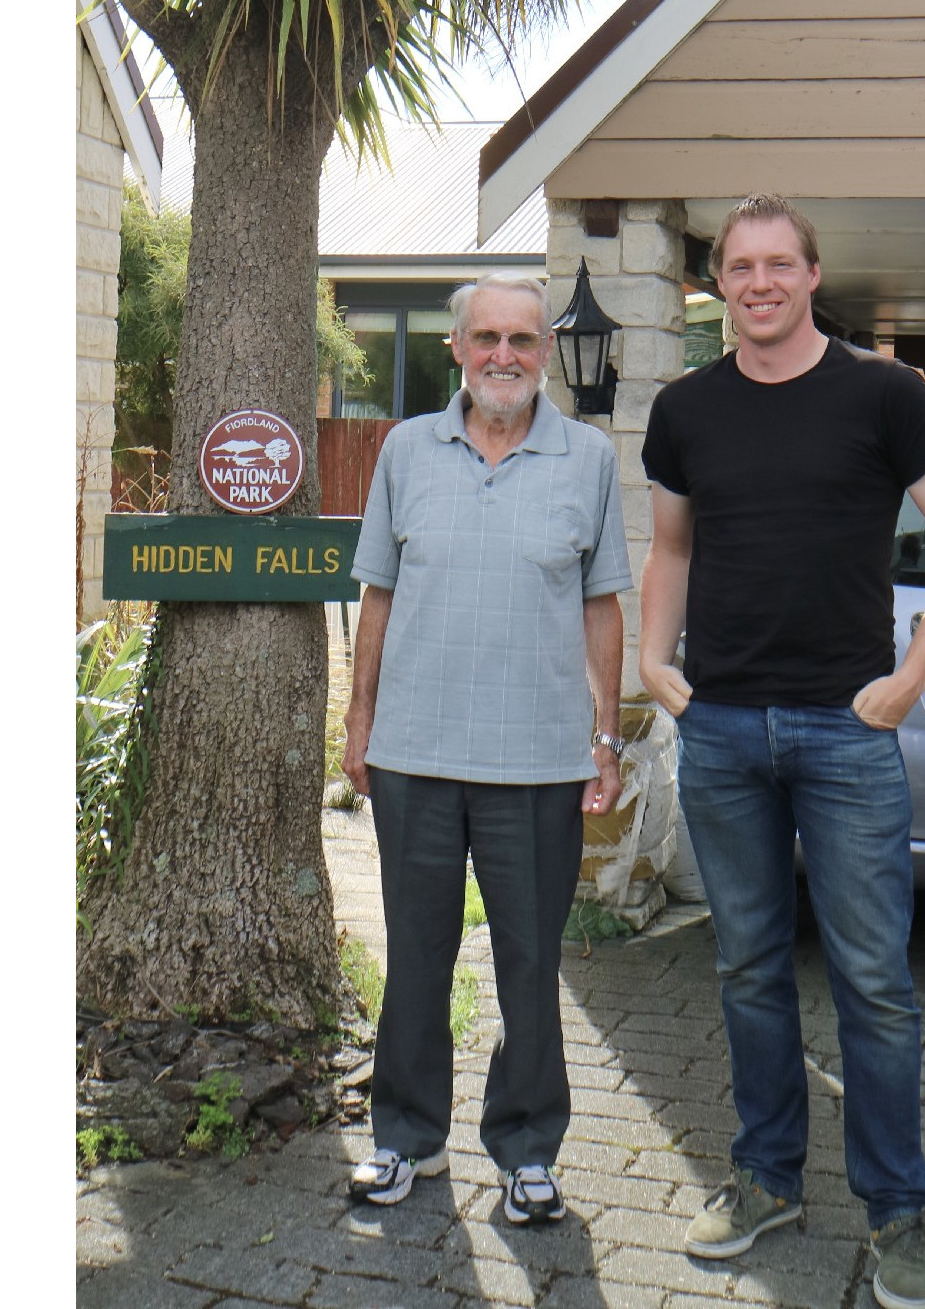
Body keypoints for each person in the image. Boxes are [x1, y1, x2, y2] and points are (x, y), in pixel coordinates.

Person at [638, 195, 925, 1309]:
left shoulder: (885, 393)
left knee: (874, 981)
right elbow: (670, 544)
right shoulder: (684, 407)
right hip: (725, 730)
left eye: (777, 264)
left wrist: (911, 673)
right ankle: (764, 1175)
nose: (758, 282)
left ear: (810, 273)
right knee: (747, 967)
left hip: (846, 731)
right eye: (737, 266)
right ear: (715, 284)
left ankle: (898, 1208)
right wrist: (655, 664)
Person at [342, 271, 632, 1225]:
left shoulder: (586, 459)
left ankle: (526, 1150)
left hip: (540, 765)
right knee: (416, 959)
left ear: (544, 352)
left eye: (522, 339)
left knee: (529, 966)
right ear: (457, 349)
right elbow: (376, 595)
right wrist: (357, 723)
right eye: (487, 339)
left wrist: (604, 737)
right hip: (415, 756)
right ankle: (406, 1142)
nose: (504, 355)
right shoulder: (403, 451)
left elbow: (601, 606)